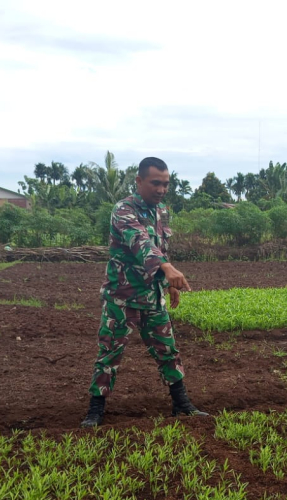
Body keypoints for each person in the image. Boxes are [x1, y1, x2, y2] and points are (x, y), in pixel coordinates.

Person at [81, 157, 208, 428]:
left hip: (152, 297)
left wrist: (168, 283)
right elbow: (141, 243)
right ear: (139, 181)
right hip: (122, 297)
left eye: (166, 184)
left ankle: (182, 404)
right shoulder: (123, 209)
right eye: (155, 183)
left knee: (168, 350)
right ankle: (95, 411)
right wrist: (167, 268)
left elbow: (161, 248)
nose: (162, 189)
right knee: (110, 353)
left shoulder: (161, 211)